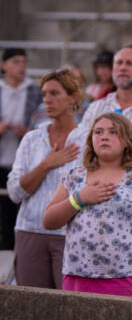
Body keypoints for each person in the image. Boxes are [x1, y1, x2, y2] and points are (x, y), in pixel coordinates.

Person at [42, 112, 132, 297]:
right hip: (77, 272)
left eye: (113, 132)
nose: (104, 137)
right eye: (98, 132)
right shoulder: (75, 176)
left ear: (127, 141)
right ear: (90, 140)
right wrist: (78, 199)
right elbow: (49, 220)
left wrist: (126, 245)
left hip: (122, 275)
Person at [7, 69, 88, 288]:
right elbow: (14, 192)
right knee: (32, 311)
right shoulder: (32, 139)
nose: (47, 100)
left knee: (69, 306)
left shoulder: (89, 139)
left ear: (73, 97)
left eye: (54, 93)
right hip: (29, 229)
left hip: (72, 233)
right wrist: (47, 164)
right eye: (44, 94)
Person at [0, 48, 42, 251]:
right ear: (4, 65)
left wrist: (27, 132)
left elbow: (43, 123)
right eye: (16, 62)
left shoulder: (35, 92)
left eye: (24, 62)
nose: (21, 66)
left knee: (18, 214)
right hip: (2, 157)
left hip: (24, 162)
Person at [82, 45, 132, 144]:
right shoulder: (95, 108)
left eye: (129, 63)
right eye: (119, 63)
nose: (122, 68)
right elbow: (83, 148)